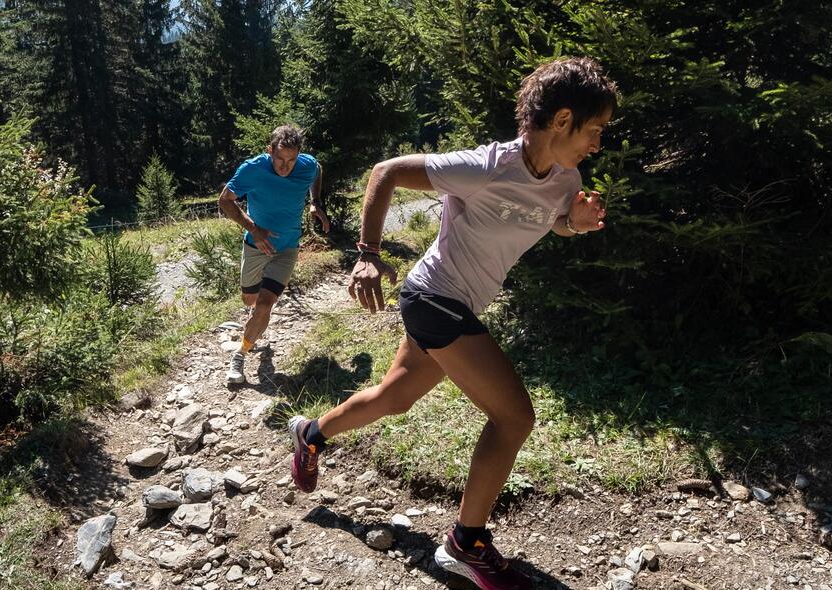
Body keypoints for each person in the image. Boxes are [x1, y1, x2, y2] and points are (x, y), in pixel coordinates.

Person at [283, 57, 618, 590]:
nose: (597, 144)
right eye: (594, 130)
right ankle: (466, 543)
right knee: (514, 417)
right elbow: (386, 172)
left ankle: (312, 433)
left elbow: (549, 218)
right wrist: (367, 253)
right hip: (435, 297)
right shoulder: (485, 166)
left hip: (452, 304)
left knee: (394, 396)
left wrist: (572, 224)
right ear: (561, 120)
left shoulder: (567, 179)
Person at [218, 125, 331, 386]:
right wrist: (255, 230)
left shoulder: (307, 165)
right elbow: (225, 200)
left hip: (287, 248)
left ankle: (240, 354)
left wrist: (315, 202)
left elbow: (318, 170)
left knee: (265, 305)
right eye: (279, 159)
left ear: (298, 155)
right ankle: (256, 326)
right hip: (256, 245)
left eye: (291, 160)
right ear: (270, 151)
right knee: (249, 300)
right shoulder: (253, 169)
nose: (285, 166)